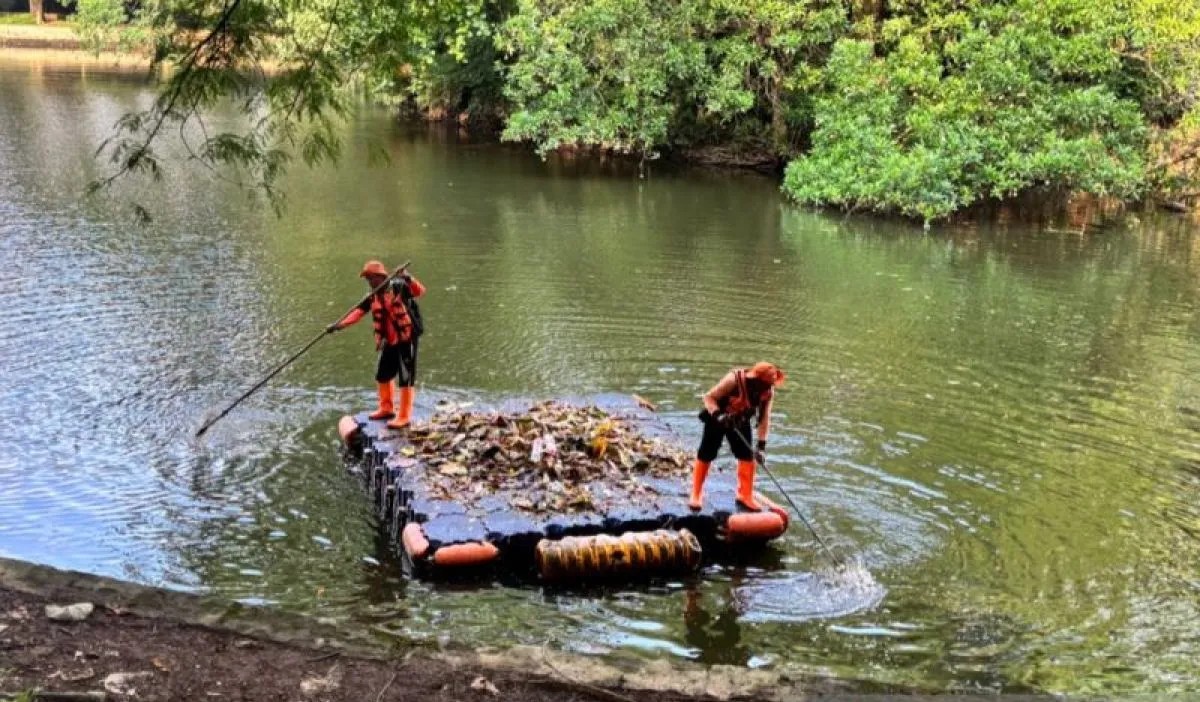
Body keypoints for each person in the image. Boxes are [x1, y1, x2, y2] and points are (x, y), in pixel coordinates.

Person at [328, 260, 426, 429]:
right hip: (389, 340)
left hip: (406, 338)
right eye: (368, 279)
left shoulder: (399, 286)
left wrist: (407, 277)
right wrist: (339, 325)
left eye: (371, 278)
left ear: (381, 277)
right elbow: (358, 313)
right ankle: (386, 408)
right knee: (382, 375)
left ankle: (404, 416)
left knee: (406, 377)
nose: (370, 282)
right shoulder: (372, 296)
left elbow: (419, 291)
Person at [690, 362, 785, 511]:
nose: (767, 388)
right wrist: (718, 415)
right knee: (706, 453)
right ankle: (696, 494)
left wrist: (761, 446)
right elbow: (709, 397)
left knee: (747, 456)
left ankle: (745, 495)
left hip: (740, 421)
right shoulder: (734, 379)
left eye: (770, 385)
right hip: (717, 419)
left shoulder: (768, 392)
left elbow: (765, 418)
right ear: (756, 379)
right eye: (765, 384)